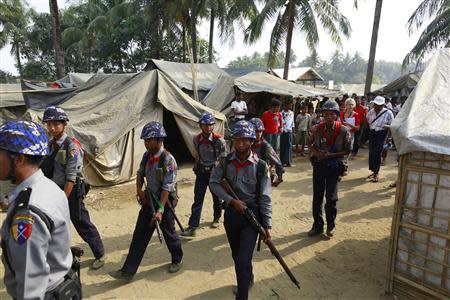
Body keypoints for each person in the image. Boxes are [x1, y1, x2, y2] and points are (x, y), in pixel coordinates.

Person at [0, 120, 79, 299]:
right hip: (64, 284)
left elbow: (31, 284)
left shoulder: (28, 212)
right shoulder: (49, 187)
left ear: (18, 159)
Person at [209, 120, 272, 300]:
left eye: (245, 140)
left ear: (252, 141)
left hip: (251, 216)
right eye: (237, 140)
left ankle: (242, 295)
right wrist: (230, 201)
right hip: (232, 214)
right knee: (237, 256)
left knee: (243, 260)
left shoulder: (261, 166)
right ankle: (247, 278)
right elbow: (214, 182)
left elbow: (265, 197)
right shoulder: (224, 162)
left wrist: (267, 225)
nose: (241, 144)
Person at [113, 121, 183, 281]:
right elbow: (139, 173)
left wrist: (160, 210)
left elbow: (167, 186)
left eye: (148, 140)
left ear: (159, 140)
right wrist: (139, 190)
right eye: (144, 140)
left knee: (169, 233)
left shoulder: (168, 160)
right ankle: (127, 271)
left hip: (164, 202)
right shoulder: (147, 156)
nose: (145, 143)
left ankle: (177, 258)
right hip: (148, 199)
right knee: (139, 235)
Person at [41, 106, 105, 270]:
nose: (52, 128)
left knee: (81, 222)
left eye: (56, 124)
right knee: (53, 225)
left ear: (64, 125)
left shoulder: (72, 147)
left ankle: (100, 254)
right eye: (49, 124)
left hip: (70, 191)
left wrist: (63, 199)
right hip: (55, 191)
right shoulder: (50, 145)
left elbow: (71, 177)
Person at [308, 100, 351, 237]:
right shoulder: (316, 129)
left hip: (334, 167)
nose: (327, 117)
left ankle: (330, 226)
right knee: (317, 197)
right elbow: (310, 145)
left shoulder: (343, 131)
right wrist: (317, 153)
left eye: (331, 114)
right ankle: (317, 226)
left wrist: (331, 155)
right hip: (319, 166)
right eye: (325, 114)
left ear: (336, 115)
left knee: (331, 198)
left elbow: (347, 151)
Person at [182, 112, 227, 237]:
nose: (208, 127)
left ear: (213, 125)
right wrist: (197, 166)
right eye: (205, 125)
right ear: (200, 125)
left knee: (217, 198)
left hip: (214, 173)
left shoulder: (219, 141)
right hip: (201, 172)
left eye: (210, 125)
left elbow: (223, 160)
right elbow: (197, 155)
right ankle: (193, 226)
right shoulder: (196, 139)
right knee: (198, 199)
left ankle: (217, 217)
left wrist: (220, 174)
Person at [366, 96, 394, 182]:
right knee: (371, 152)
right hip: (372, 133)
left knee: (378, 153)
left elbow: (392, 126)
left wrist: (389, 137)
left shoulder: (388, 113)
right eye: (375, 104)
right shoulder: (371, 112)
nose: (376, 106)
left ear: (383, 105)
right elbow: (367, 120)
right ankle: (373, 170)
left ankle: (376, 172)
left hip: (381, 134)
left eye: (379, 105)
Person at [249, 118, 283, 187]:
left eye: (260, 131)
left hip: (262, 178)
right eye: (256, 131)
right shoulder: (245, 145)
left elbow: (278, 163)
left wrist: (279, 178)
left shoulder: (265, 146)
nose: (258, 134)